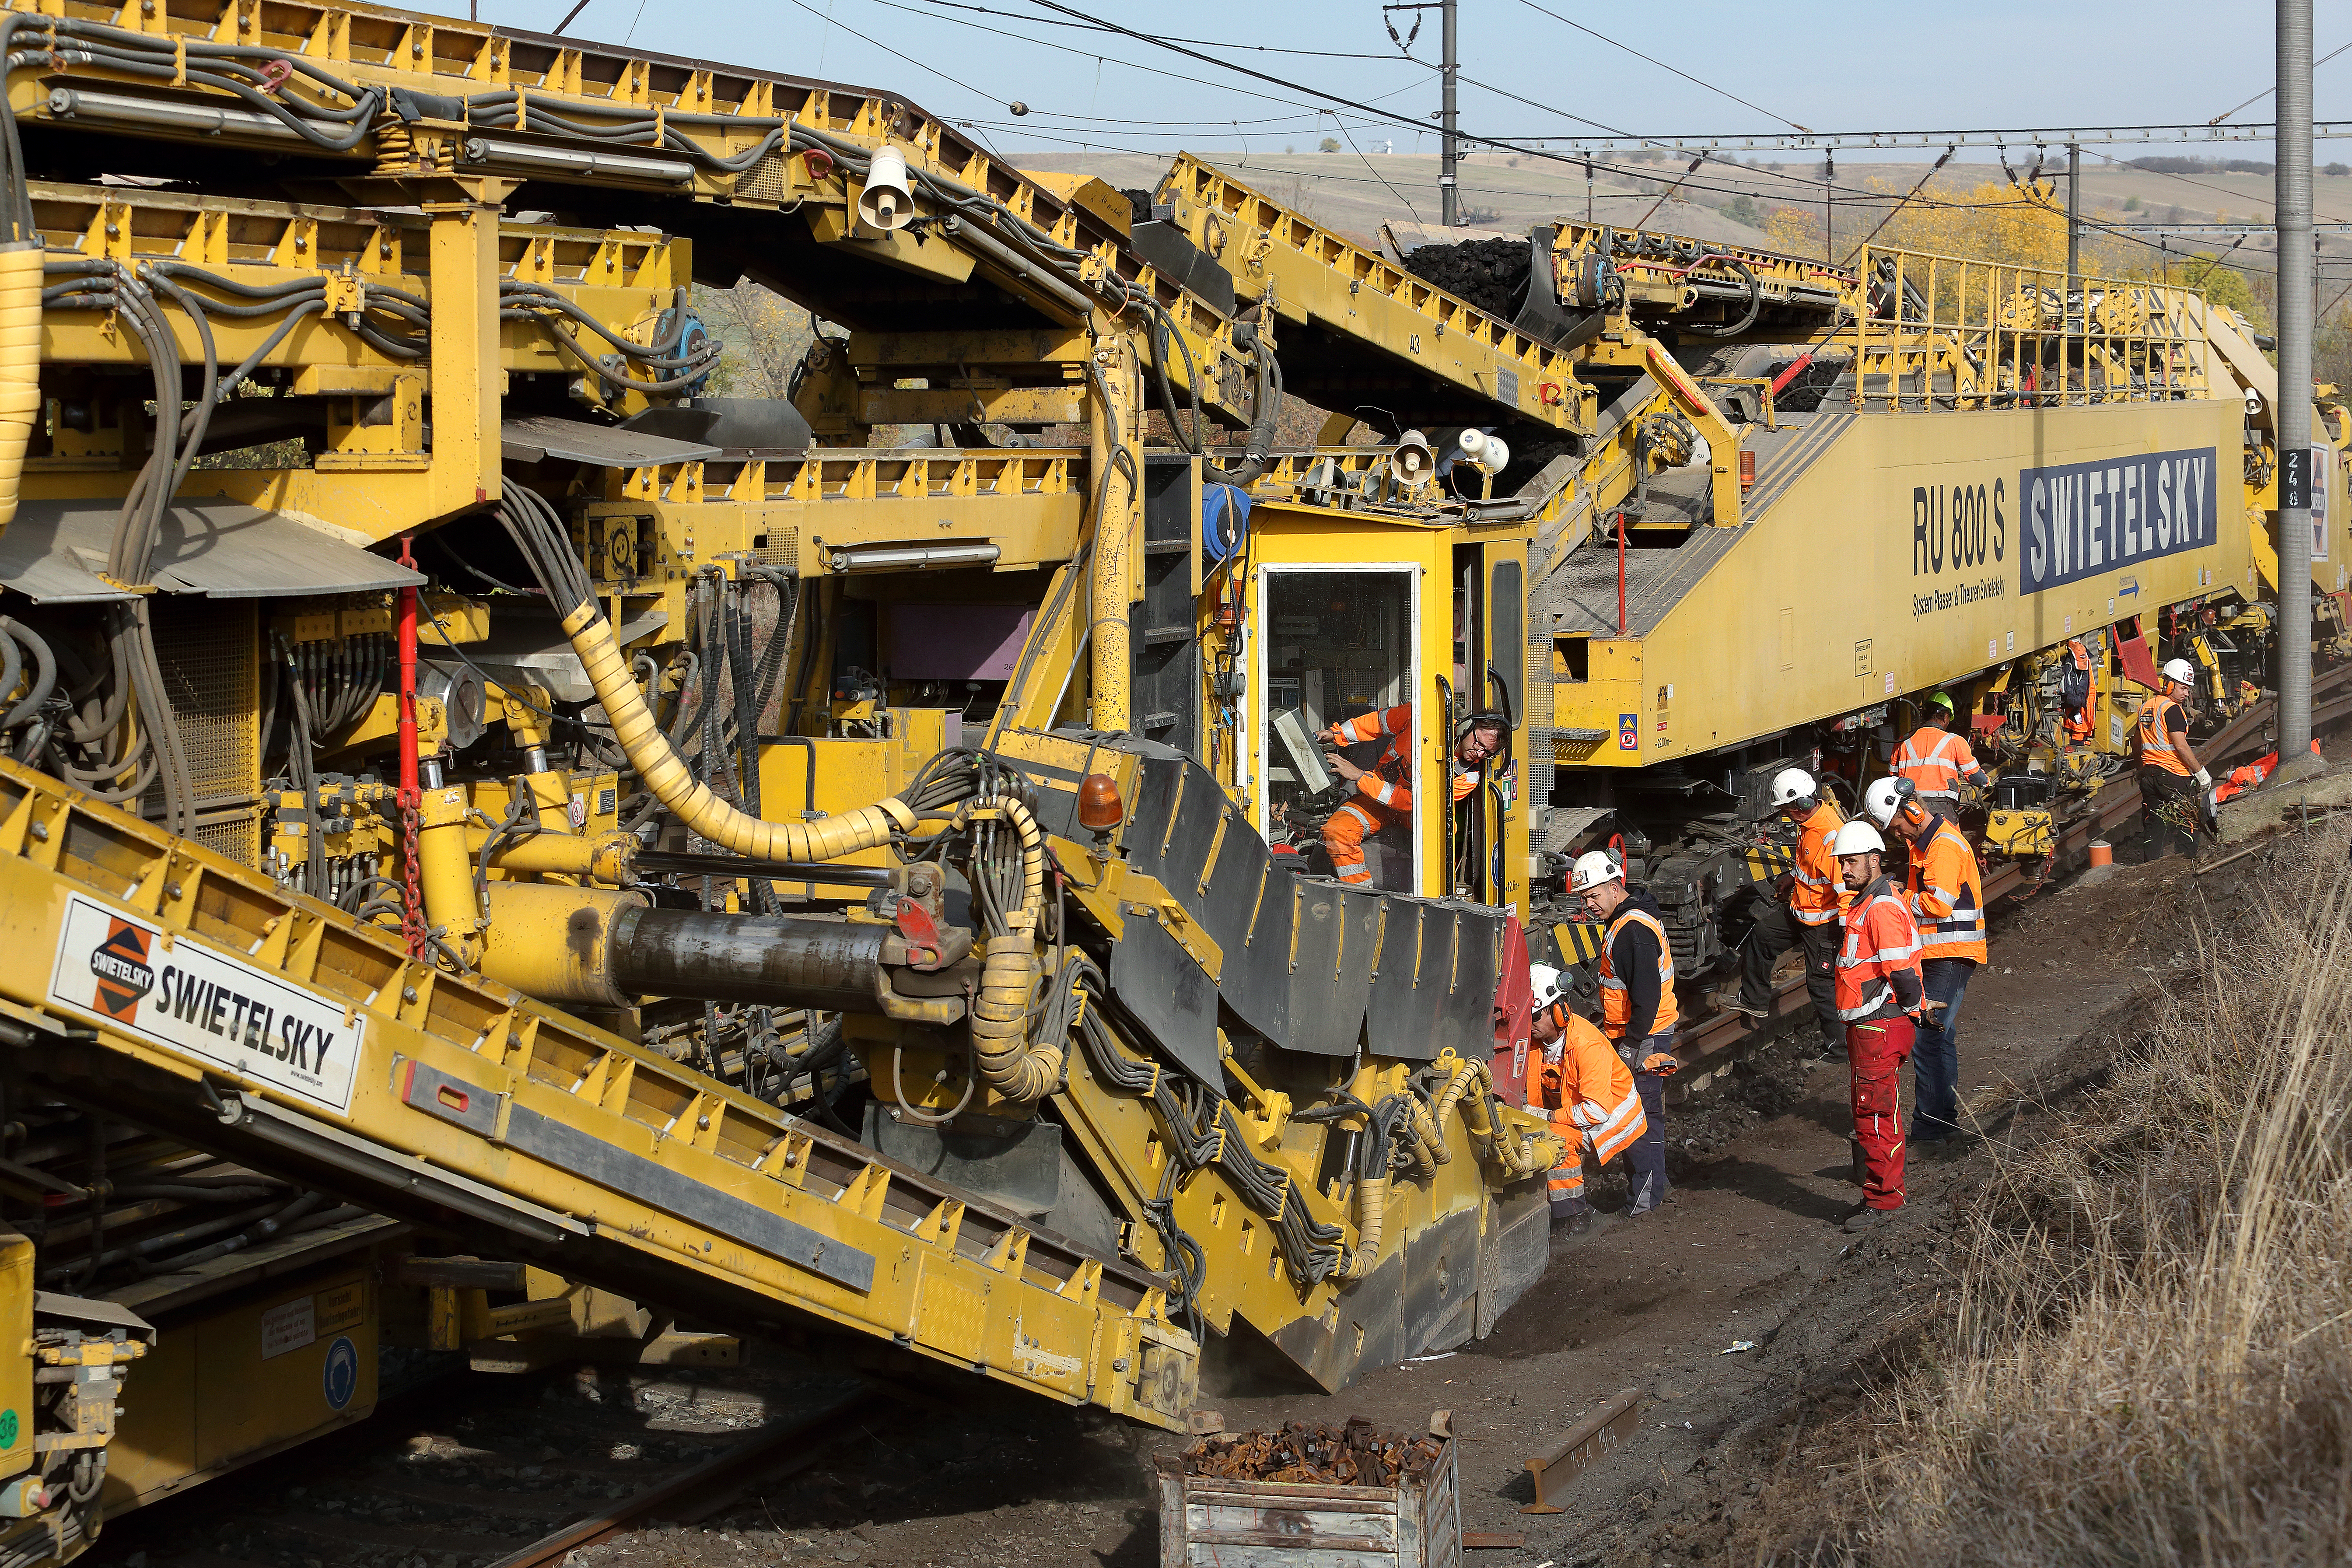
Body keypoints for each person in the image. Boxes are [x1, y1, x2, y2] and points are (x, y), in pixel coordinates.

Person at [1865, 776, 1983, 1146]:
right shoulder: (1929, 842)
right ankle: (1942, 1124)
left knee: (1927, 1037)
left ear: (1912, 811)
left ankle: (1933, 1130)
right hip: (1942, 953)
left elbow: (1938, 904)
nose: (1899, 836)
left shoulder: (1943, 847)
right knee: (1938, 1037)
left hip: (1950, 953)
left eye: (1897, 827)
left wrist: (1900, 897)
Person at [1830, 819, 1925, 1233]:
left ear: (1874, 859)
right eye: (1842, 863)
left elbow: (1901, 972)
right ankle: (1881, 1192)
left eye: (1852, 861)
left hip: (1879, 1027)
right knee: (1875, 1111)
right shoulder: (1868, 901)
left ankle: (1884, 1201)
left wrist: (1908, 1008)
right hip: (1872, 1025)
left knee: (1875, 1115)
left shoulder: (1881, 907)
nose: (1845, 870)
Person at [1569, 850, 1674, 1215]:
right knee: (1650, 1113)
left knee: (1636, 1117)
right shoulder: (1630, 920)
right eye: (1584, 899)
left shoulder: (1632, 931)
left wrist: (1630, 1044)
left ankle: (1643, 1199)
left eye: (1594, 896)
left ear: (1616, 887)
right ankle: (1656, 1187)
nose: (1589, 905)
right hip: (1650, 1033)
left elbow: (1646, 996)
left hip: (1645, 1037)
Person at [1726, 767, 1847, 1056]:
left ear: (1802, 804)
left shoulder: (1831, 835)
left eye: (1787, 809)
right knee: (1764, 935)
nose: (1785, 815)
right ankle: (1754, 1000)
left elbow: (1846, 892)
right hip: (1801, 910)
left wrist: (1846, 935)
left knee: (1821, 986)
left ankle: (1841, 1048)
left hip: (1823, 922)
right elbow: (1808, 864)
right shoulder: (1810, 824)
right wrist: (1792, 878)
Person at [1319, 709, 1506, 888]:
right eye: (1479, 744)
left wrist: (1360, 777)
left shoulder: (1469, 776)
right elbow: (1378, 722)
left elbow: (1414, 801)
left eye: (1487, 753)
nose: (1480, 754)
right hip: (1377, 797)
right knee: (1337, 832)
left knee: (1444, 831)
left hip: (1411, 811)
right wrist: (1336, 734)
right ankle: (1360, 895)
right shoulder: (1421, 718)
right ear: (1467, 726)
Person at [1525, 964, 1648, 1235]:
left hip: (1614, 1117)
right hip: (1584, 1112)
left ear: (1558, 1012)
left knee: (1556, 1141)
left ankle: (1573, 1221)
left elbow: (1596, 1111)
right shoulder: (1536, 1042)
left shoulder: (1586, 1044)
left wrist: (1545, 1117)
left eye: (1535, 1016)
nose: (1529, 1025)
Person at [2137, 657, 2212, 861]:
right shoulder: (2172, 709)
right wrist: (2200, 772)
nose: (2187, 693)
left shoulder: (2146, 707)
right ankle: (2184, 865)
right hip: (2173, 775)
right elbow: (2181, 745)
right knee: (2189, 819)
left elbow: (2138, 743)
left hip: (2149, 775)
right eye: (2183, 688)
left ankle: (2149, 868)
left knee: (2154, 822)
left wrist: (2140, 769)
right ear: (2169, 684)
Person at [1890, 693, 1989, 819]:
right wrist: (1987, 783)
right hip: (1943, 808)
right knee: (1949, 839)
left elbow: (1893, 777)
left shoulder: (1904, 740)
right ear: (1946, 717)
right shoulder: (1955, 741)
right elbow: (1976, 777)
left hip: (1912, 806)